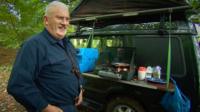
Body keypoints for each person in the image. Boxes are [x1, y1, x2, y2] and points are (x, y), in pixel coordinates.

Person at [7, 1, 84, 112]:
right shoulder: (33, 45)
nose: (65, 23)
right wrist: (45, 107)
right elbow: (18, 85)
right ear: (46, 20)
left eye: (67, 19)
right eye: (60, 18)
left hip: (72, 106)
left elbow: (75, 68)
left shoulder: (68, 44)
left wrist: (80, 88)